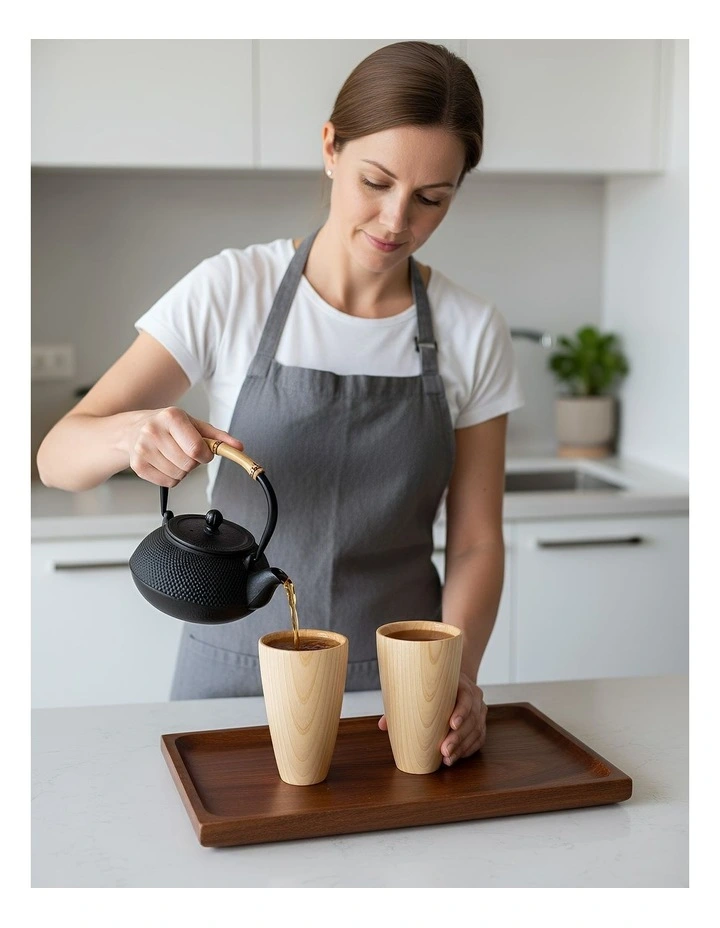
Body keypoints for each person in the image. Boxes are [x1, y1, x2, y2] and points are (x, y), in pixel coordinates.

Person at [37, 41, 524, 767]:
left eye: (431, 199)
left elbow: (478, 538)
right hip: (231, 677)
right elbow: (56, 458)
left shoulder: (470, 329)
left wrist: (459, 676)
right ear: (331, 147)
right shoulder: (231, 290)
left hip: (398, 696)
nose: (396, 221)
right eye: (376, 181)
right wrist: (131, 434)